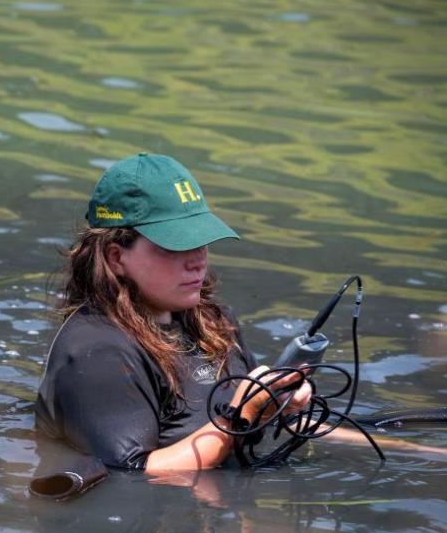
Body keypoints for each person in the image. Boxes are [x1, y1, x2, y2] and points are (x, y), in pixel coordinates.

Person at [35, 152, 312, 474]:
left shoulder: (211, 321)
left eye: (201, 241)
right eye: (175, 246)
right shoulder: (97, 352)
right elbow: (133, 474)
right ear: (116, 258)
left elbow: (256, 419)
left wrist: (276, 408)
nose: (197, 260)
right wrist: (239, 416)